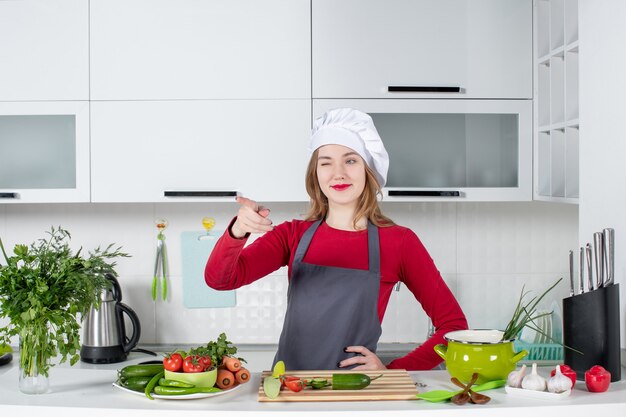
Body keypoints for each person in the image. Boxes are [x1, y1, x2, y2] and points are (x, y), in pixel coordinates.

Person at [205, 108, 468, 371]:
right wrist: (237, 231)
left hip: (356, 394)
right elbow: (220, 280)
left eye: (351, 160)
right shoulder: (291, 235)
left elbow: (454, 327)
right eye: (326, 162)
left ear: (368, 170)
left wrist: (392, 371)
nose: (338, 173)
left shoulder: (399, 242)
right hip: (291, 390)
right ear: (315, 174)